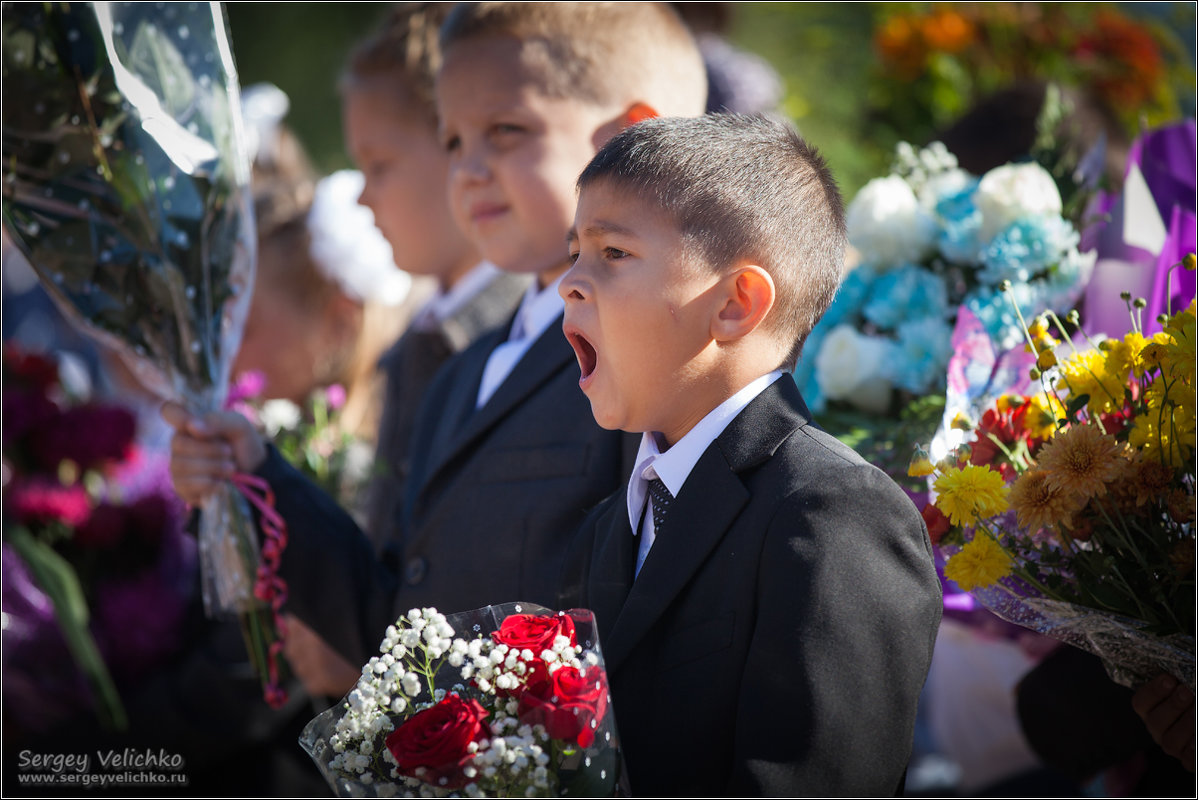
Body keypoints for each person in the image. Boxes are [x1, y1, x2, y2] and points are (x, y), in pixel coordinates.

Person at [165, 1, 708, 672]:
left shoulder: (658, 356)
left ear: (631, 139)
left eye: (505, 130)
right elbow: (394, 615)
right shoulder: (459, 374)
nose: (469, 169)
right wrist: (257, 473)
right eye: (453, 141)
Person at [555, 114, 943, 796]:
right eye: (573, 254)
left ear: (736, 304)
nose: (571, 283)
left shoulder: (832, 512)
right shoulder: (606, 526)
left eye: (613, 253)